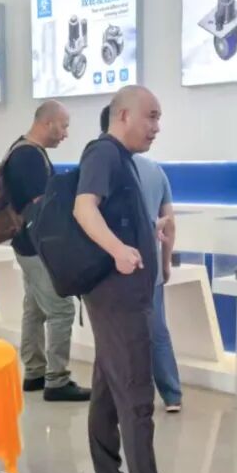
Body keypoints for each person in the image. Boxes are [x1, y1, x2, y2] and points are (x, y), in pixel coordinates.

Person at [74, 86, 200, 473]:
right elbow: (83, 207)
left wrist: (153, 245)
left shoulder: (123, 160)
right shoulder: (104, 154)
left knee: (108, 388)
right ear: (123, 114)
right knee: (136, 397)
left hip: (125, 295)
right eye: (151, 116)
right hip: (118, 298)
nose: (156, 126)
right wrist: (119, 250)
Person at [5, 101, 90, 402]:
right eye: (64, 126)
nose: (65, 134)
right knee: (62, 308)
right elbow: (43, 207)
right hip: (38, 247)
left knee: (36, 308)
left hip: (25, 245)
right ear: (47, 123)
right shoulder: (29, 157)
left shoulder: (20, 149)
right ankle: (56, 379)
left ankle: (34, 371)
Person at [100, 104, 183, 413]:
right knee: (158, 330)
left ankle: (127, 399)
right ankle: (172, 394)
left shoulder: (107, 167)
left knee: (120, 337)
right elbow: (168, 223)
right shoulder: (154, 170)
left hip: (117, 269)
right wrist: (165, 263)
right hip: (151, 269)